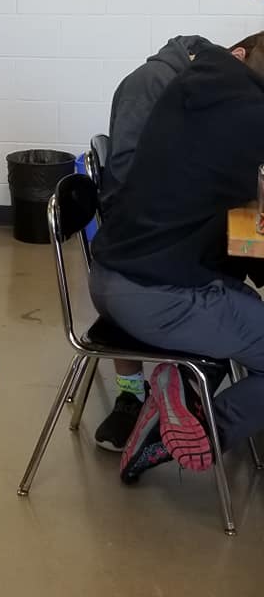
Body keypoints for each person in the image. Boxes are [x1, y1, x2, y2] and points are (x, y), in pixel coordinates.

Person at [90, 34, 264, 481]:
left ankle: (179, 391)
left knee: (245, 302)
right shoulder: (248, 114)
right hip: (155, 292)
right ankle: (193, 428)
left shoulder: (186, 88)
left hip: (116, 273)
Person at [94, 36, 212, 451]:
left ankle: (191, 380)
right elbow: (126, 174)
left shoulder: (193, 85)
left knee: (234, 258)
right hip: (134, 239)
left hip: (162, 231)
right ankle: (135, 393)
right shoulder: (151, 84)